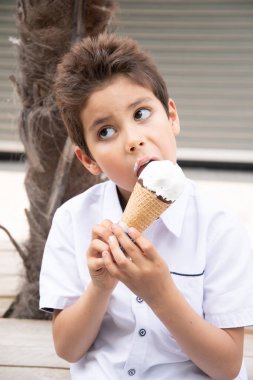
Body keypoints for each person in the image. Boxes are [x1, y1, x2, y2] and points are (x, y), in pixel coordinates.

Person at [39, 33, 253, 380]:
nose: (133, 139)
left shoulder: (220, 227)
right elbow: (68, 348)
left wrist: (160, 293)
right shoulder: (72, 222)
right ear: (89, 160)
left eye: (141, 113)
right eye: (106, 132)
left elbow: (227, 365)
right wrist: (101, 287)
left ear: (171, 117)